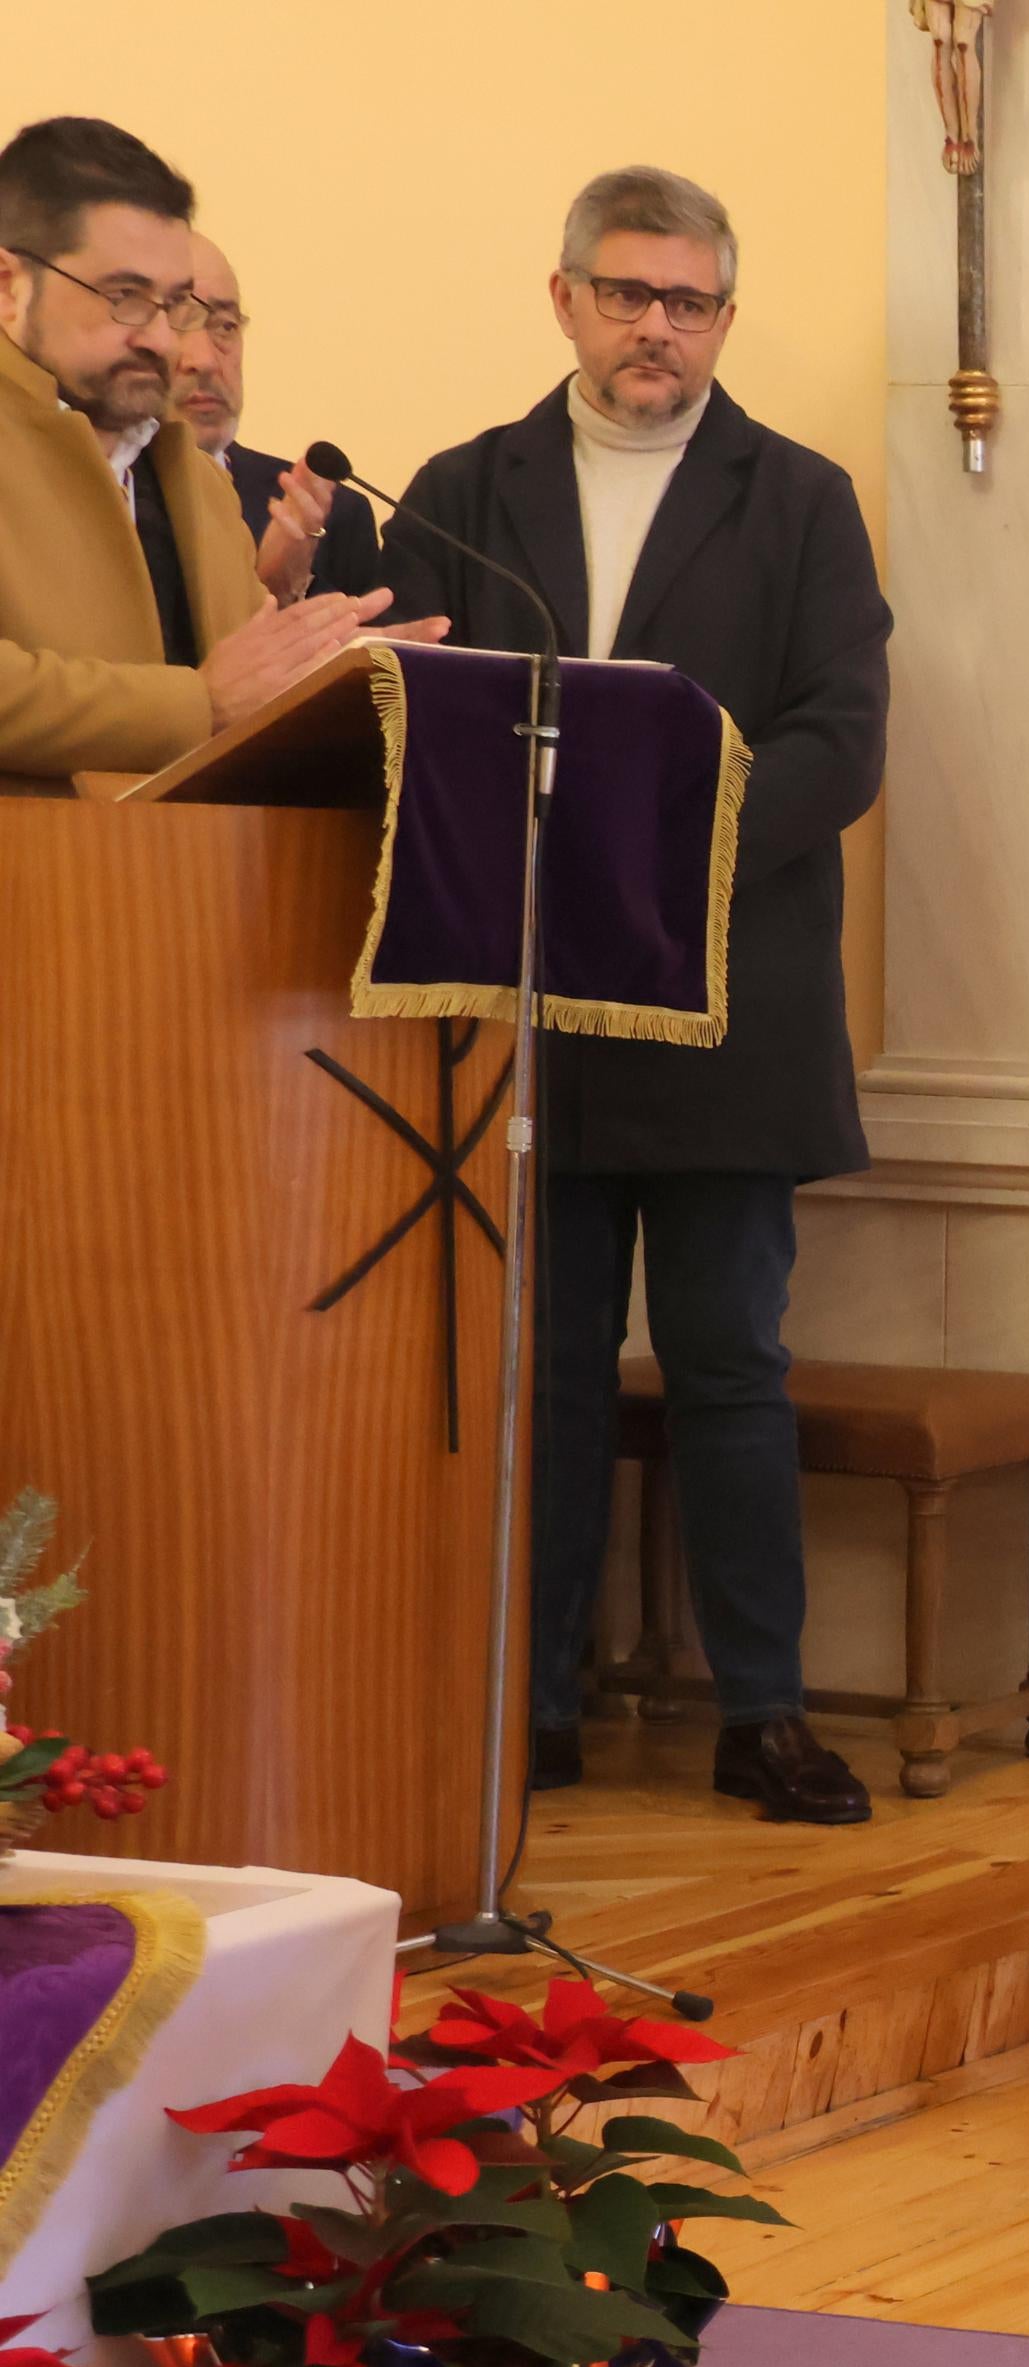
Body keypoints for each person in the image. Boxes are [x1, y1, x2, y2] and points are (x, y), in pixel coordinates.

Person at [386, 165, 893, 1826]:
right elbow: (411, 716)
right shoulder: (461, 488)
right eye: (628, 294)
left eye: (688, 302)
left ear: (724, 320)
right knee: (543, 1368)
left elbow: (840, 738)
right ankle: (527, 1700)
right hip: (530, 1016)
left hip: (722, 1001)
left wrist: (671, 851)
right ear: (565, 300)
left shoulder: (800, 499)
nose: (656, 328)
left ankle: (762, 1712)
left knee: (731, 1364)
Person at [0, 117, 414, 785]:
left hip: (195, 880)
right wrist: (198, 704)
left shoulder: (195, 479)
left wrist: (334, 679)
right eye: (125, 298)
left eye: (175, 305)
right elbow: (215, 699)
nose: (163, 341)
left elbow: (244, 704)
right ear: (8, 284)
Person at [170, 231, 382, 605]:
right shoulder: (87, 502)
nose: (204, 361)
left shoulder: (333, 519)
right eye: (176, 321)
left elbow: (372, 665)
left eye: (225, 326)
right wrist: (265, 595)